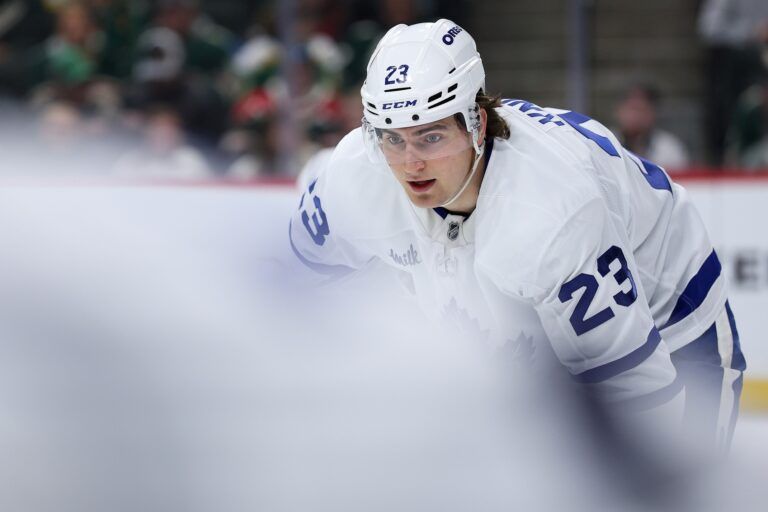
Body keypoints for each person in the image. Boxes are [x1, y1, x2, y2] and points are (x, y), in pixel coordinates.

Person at [288, 19, 745, 451]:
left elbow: (637, 395)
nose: (410, 164)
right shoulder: (352, 176)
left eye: (431, 137)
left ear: (478, 124)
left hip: (667, 310)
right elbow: (293, 286)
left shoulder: (551, 211)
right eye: (393, 138)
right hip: (527, 303)